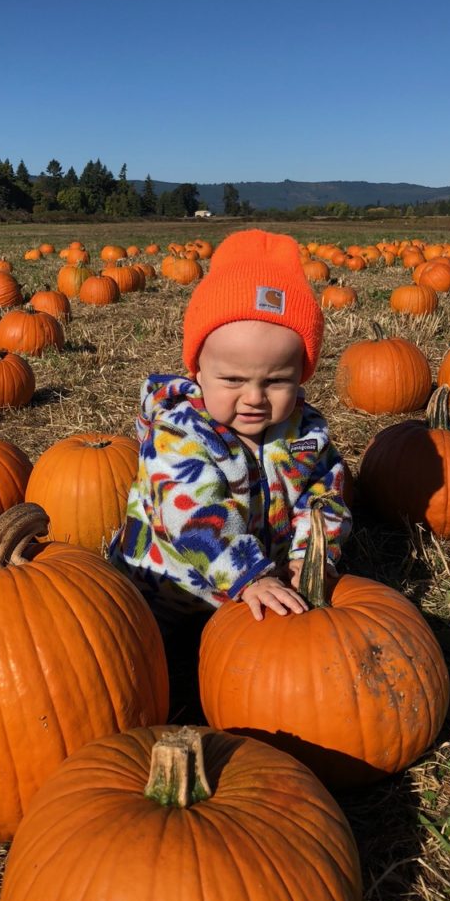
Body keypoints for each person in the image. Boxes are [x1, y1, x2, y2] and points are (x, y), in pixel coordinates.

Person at [108, 229, 351, 715]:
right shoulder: (178, 434)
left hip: (253, 598)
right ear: (198, 370)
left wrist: (311, 557)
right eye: (234, 380)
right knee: (139, 678)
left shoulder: (305, 434)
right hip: (165, 596)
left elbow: (324, 496)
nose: (255, 398)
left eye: (277, 380)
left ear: (302, 374)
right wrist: (248, 574)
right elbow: (193, 516)